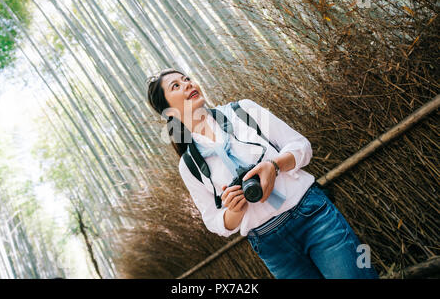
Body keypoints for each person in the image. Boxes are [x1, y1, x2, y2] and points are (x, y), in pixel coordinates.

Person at [147, 68, 379, 279]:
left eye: (187, 78)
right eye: (175, 86)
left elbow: (301, 147)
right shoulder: (189, 165)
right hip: (272, 247)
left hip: (313, 216)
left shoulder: (243, 111)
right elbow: (213, 221)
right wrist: (234, 210)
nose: (187, 84)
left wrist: (274, 166)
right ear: (168, 111)